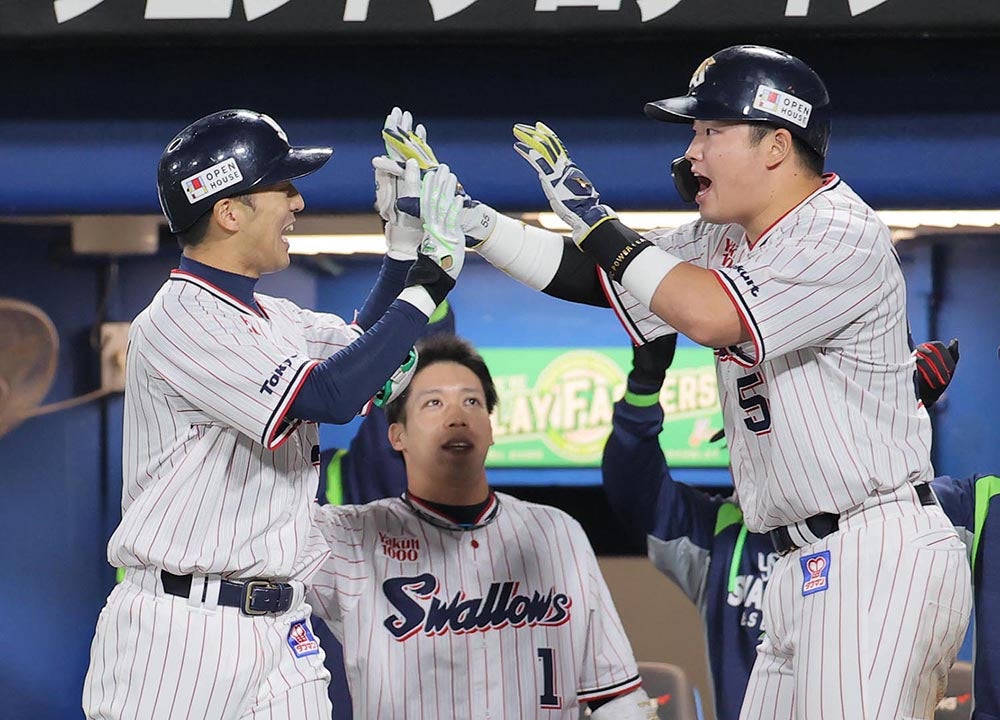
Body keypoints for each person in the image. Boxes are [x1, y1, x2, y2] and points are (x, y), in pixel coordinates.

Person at [388, 44, 971, 718]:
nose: (692, 152)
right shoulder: (727, 237)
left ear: (777, 145)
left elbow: (709, 314)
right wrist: (473, 222)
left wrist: (600, 222)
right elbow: (602, 278)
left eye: (711, 131)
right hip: (796, 561)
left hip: (874, 551)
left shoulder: (837, 231)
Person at [81, 109, 466, 719]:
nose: (297, 201)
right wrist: (426, 282)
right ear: (228, 212)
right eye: (281, 186)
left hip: (283, 624)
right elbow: (330, 396)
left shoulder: (276, 317)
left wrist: (401, 250)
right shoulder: (179, 316)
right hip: (182, 633)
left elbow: (365, 359)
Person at [605, 334, 988, 719]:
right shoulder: (719, 532)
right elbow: (637, 491)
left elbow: (943, 495)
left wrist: (897, 413)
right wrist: (644, 386)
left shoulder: (897, 512)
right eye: (750, 444)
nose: (767, 456)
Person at [307, 334, 657, 719]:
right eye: (433, 402)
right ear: (397, 435)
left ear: (490, 430)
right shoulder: (351, 538)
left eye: (471, 402)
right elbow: (259, 528)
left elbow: (616, 695)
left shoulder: (558, 533)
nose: (457, 417)